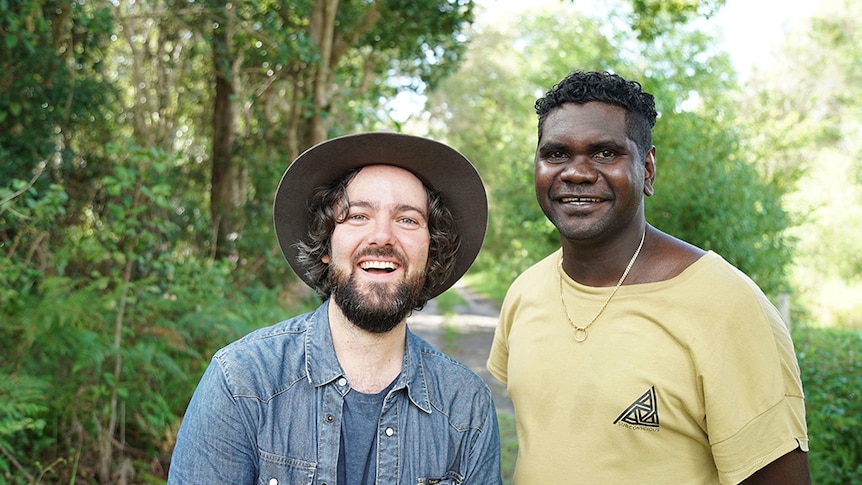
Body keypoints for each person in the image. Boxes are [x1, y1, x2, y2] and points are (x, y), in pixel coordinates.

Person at [487, 71, 810, 484]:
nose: (577, 173)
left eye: (605, 153)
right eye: (556, 154)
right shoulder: (524, 291)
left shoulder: (726, 305)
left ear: (648, 169)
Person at [169, 131, 502, 484]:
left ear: (430, 252)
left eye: (407, 220)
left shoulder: (465, 406)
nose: (382, 236)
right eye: (358, 216)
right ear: (326, 243)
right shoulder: (241, 382)